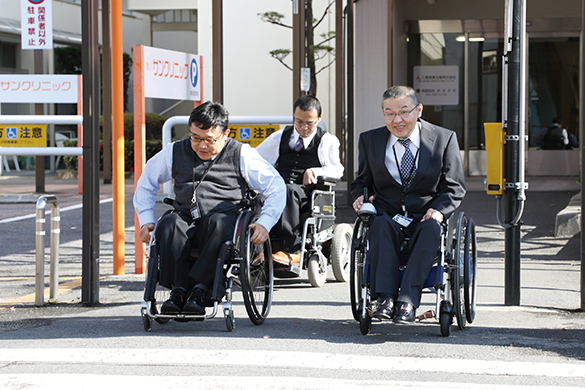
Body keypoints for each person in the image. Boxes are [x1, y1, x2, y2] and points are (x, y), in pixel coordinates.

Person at [134, 101, 286, 315]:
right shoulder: (175, 151)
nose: (201, 145)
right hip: (186, 215)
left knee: (219, 224)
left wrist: (265, 222)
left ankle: (200, 289)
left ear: (225, 134)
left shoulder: (241, 154)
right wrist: (146, 219)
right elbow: (146, 181)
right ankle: (177, 291)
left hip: (223, 216)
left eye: (209, 140)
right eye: (195, 137)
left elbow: (276, 186)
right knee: (168, 224)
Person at [351, 86, 465, 324]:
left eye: (404, 111)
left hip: (426, 214)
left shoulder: (444, 139)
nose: (397, 119)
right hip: (388, 214)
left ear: (418, 110)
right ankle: (384, 299)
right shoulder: (370, 140)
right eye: (389, 113)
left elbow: (454, 187)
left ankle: (407, 301)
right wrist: (360, 196)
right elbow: (362, 181)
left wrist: (439, 211)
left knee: (432, 229)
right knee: (379, 225)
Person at [255, 95, 344, 267]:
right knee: (259, 199)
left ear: (319, 118)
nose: (303, 128)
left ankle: (292, 250)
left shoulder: (326, 141)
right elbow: (258, 159)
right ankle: (259, 252)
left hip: (308, 194)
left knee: (289, 191)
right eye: (299, 122)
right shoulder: (280, 137)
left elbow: (337, 170)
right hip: (280, 188)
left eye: (309, 123)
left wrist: (315, 171)